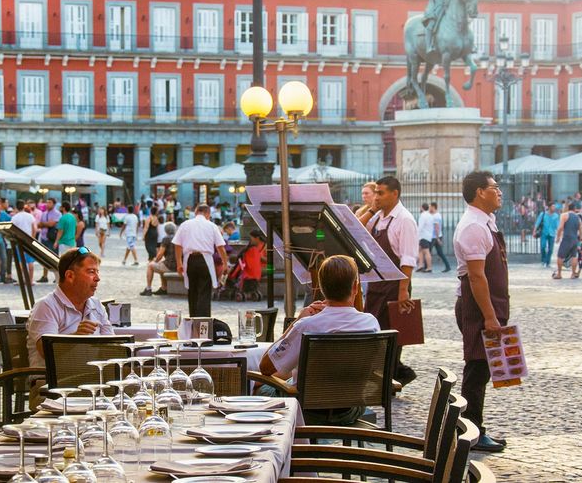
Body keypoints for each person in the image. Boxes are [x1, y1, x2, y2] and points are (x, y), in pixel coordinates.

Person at [258, 254, 379, 425]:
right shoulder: (371, 323)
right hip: (350, 408)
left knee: (261, 388)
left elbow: (266, 367)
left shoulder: (307, 325)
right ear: (354, 287)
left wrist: (296, 323)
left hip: (307, 410)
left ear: (322, 288)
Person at [453, 171, 509, 453]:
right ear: (479, 192)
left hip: (487, 304)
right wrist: (489, 316)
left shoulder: (485, 222)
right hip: (477, 307)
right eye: (494, 187)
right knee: (476, 368)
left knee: (481, 369)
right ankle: (471, 432)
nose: (498, 191)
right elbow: (476, 277)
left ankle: (473, 429)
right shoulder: (473, 226)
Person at [365, 176, 419, 387]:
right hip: (377, 283)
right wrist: (370, 208)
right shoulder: (378, 217)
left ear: (395, 194)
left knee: (391, 335)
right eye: (375, 192)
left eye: (381, 193)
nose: (377, 196)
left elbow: (407, 259)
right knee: (373, 332)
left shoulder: (404, 220)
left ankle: (390, 379)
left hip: (395, 285)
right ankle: (396, 374)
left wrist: (403, 291)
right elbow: (356, 230)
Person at [25, 246, 114, 368]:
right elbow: (46, 352)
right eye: (91, 272)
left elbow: (113, 348)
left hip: (91, 378)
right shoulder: (46, 306)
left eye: (97, 272)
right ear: (70, 276)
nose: (98, 278)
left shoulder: (96, 305)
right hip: (51, 382)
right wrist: (75, 337)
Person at [172, 204, 228, 317]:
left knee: (192, 291)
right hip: (205, 260)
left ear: (196, 212)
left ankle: (193, 318)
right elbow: (220, 247)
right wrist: (225, 263)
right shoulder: (211, 226)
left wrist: (179, 263)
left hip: (189, 260)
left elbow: (177, 245)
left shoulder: (185, 224)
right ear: (208, 214)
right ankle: (203, 321)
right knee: (204, 291)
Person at [142, 222, 178, 296]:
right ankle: (164, 287)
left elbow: (160, 254)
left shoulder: (166, 239)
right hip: (178, 265)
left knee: (150, 266)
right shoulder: (178, 237)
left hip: (170, 265)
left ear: (165, 230)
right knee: (161, 265)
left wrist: (154, 261)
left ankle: (148, 288)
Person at [554, 202, 582, 279]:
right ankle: (573, 274)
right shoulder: (578, 217)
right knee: (574, 256)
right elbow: (581, 230)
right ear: (574, 209)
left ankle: (559, 274)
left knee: (560, 256)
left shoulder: (564, 215)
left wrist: (558, 237)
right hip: (575, 239)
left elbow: (560, 228)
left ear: (568, 208)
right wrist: (580, 240)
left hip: (567, 238)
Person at [37, 198, 61, 283]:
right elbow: (39, 225)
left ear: (54, 204)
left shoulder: (57, 213)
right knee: (44, 257)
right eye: (47, 202)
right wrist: (46, 224)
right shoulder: (44, 213)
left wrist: (45, 224)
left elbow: (52, 224)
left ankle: (57, 276)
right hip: (44, 237)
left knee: (54, 257)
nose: (47, 204)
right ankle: (44, 276)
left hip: (52, 238)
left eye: (50, 202)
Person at [533, 202, 559, 268]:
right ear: (549, 207)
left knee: (550, 249)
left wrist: (559, 235)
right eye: (553, 206)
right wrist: (534, 231)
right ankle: (543, 260)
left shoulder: (556, 216)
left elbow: (558, 226)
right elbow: (537, 223)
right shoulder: (543, 214)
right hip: (544, 232)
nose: (554, 208)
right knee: (542, 247)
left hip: (552, 233)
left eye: (554, 206)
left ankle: (548, 262)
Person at [429, 202, 451, 272]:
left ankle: (427, 267)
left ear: (433, 207)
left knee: (428, 251)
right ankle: (448, 266)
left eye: (430, 207)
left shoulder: (435, 216)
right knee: (439, 253)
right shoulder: (438, 215)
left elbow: (437, 227)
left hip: (434, 237)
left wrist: (438, 238)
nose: (429, 208)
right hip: (437, 236)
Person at [416, 203, 435, 272]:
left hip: (423, 236)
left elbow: (420, 227)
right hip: (428, 235)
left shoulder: (423, 215)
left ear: (422, 208)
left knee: (426, 251)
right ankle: (420, 265)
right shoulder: (430, 215)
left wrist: (416, 235)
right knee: (420, 250)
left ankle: (429, 267)